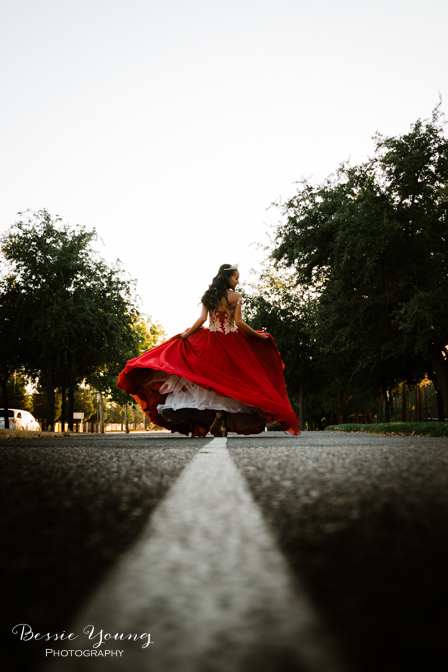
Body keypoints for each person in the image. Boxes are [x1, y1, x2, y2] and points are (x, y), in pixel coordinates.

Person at [117, 264, 299, 437]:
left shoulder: (208, 295)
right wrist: (258, 337)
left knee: (211, 381)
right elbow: (238, 323)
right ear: (227, 277)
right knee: (230, 382)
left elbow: (202, 319)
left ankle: (218, 420)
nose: (238, 282)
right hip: (230, 341)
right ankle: (221, 418)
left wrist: (187, 335)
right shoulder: (235, 297)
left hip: (209, 340)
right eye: (236, 278)